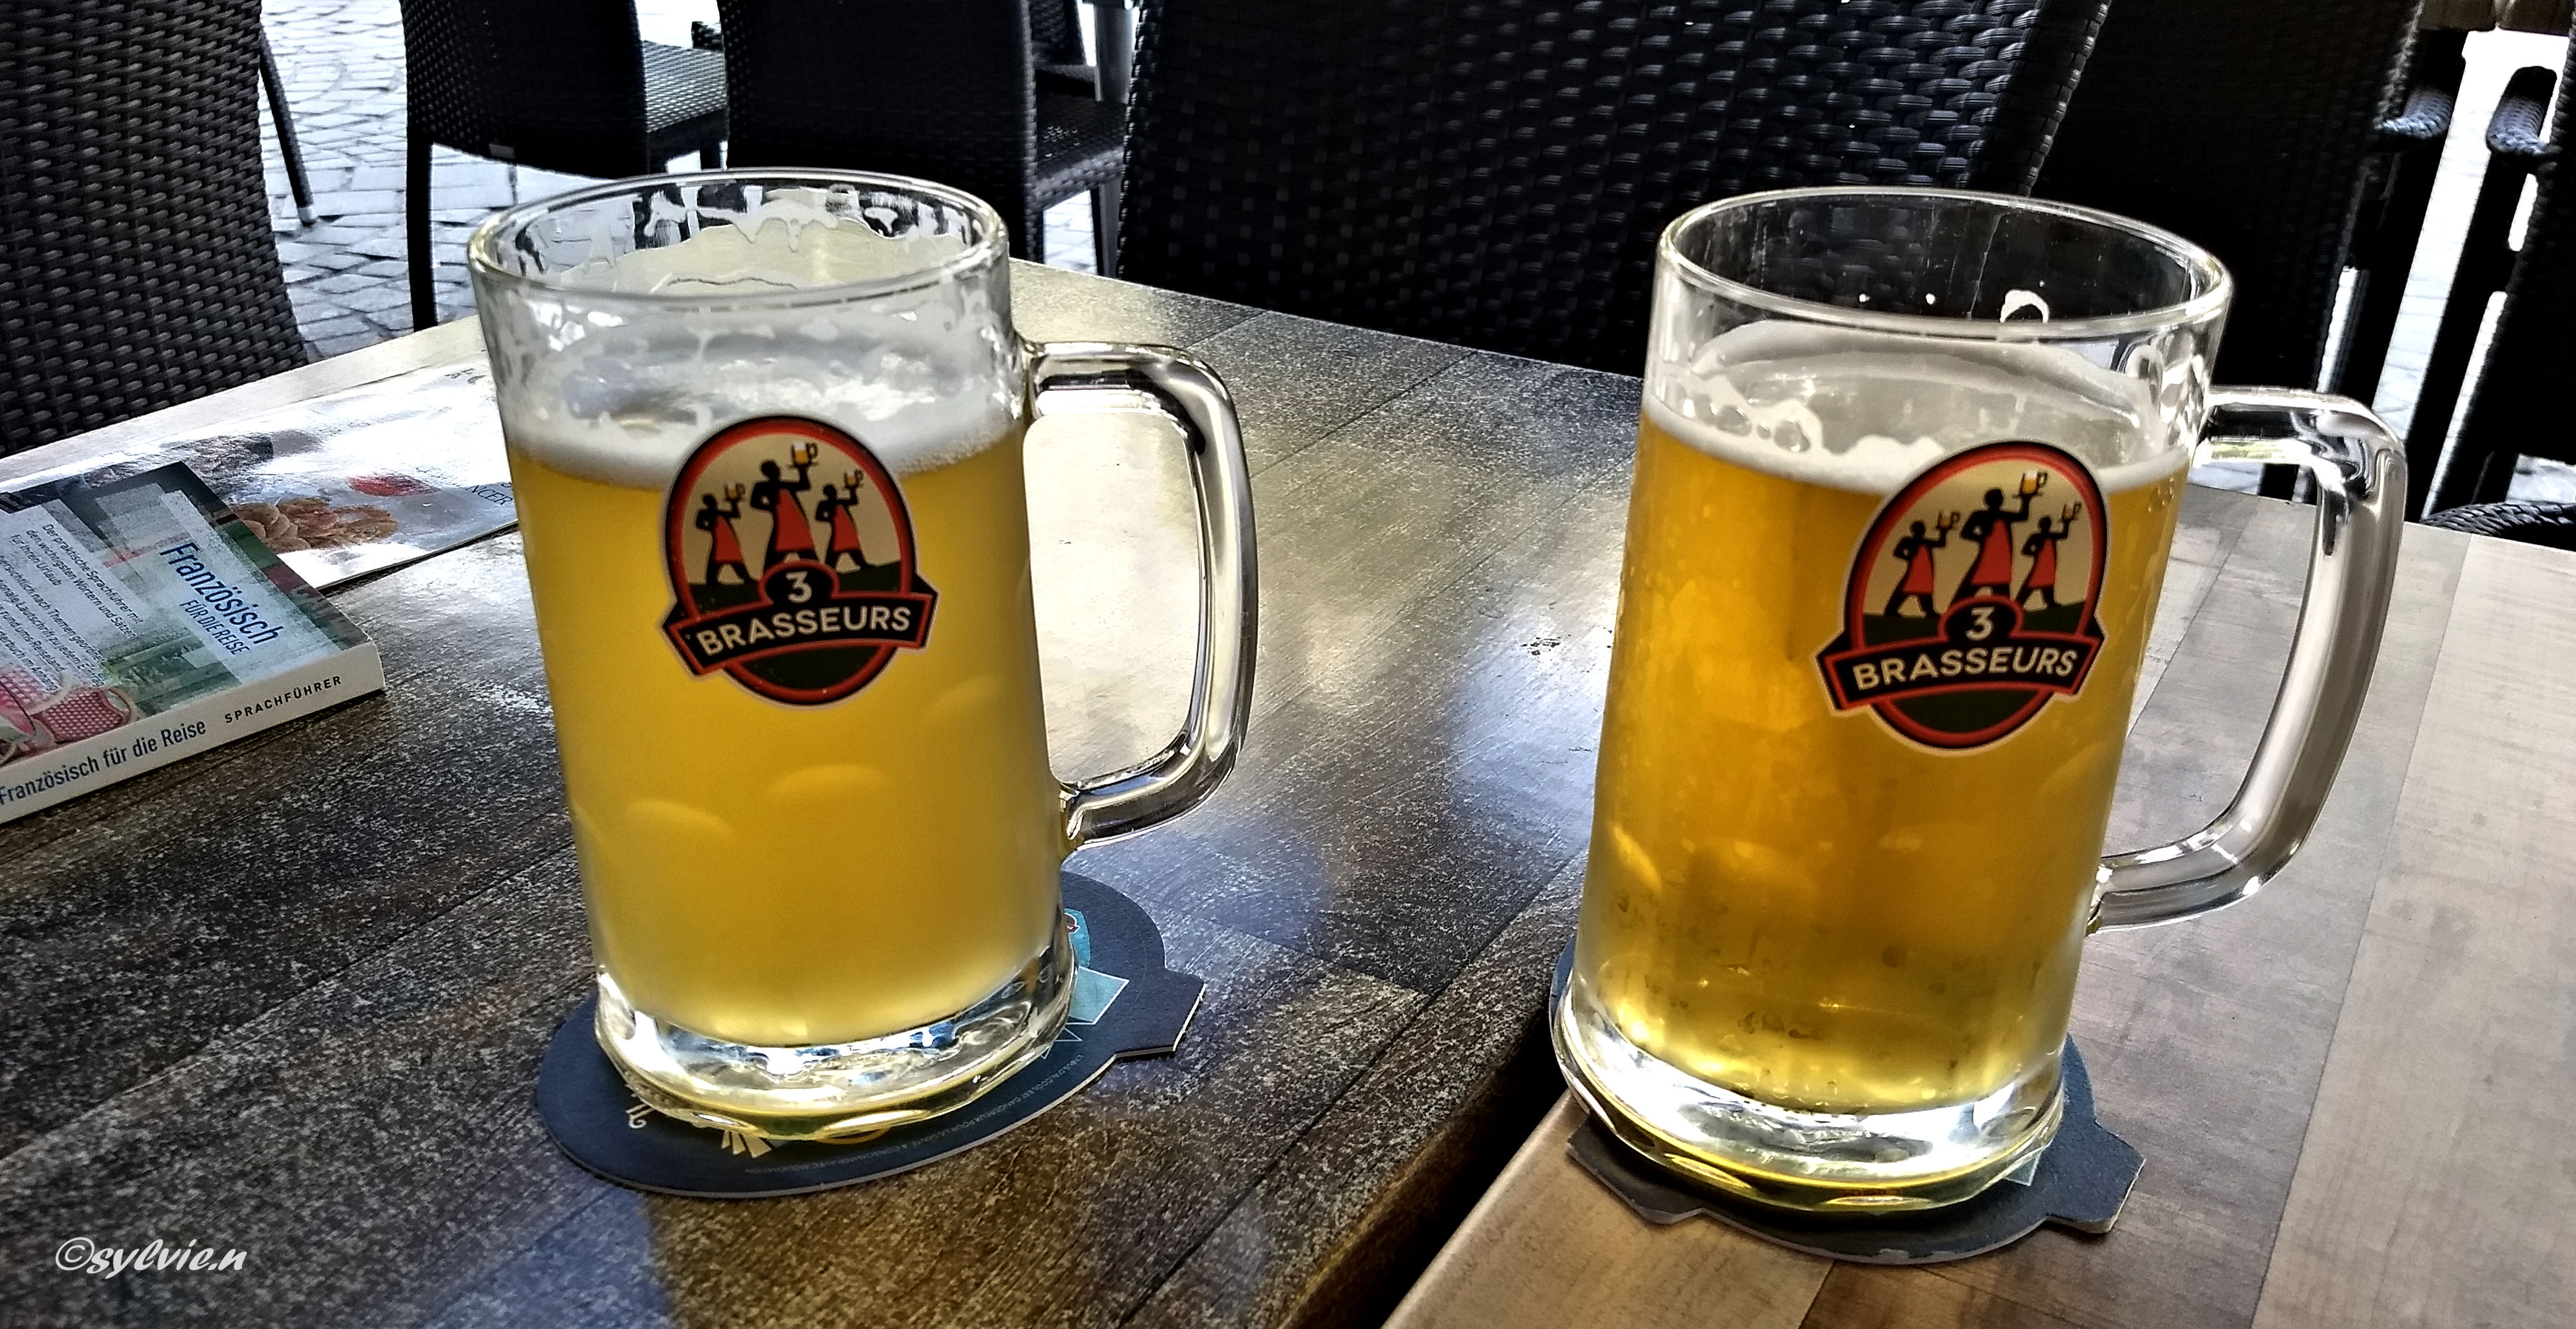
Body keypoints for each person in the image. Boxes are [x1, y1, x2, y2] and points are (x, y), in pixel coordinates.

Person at [1954, 476, 2041, 602]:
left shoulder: (2003, 515)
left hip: (2001, 559)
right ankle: (1958, 608)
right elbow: (1965, 533)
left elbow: (2022, 516)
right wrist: (1981, 539)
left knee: (2000, 586)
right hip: (1987, 556)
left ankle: (2005, 609)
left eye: (2000, 498)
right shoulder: (1980, 515)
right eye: (1999, 498)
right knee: (1972, 585)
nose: (2001, 500)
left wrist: (2026, 499)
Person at [747, 453, 817, 571]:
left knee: (806, 550)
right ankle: (769, 575)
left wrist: (802, 470)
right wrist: (771, 507)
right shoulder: (762, 486)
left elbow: (805, 485)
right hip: (782, 523)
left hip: (797, 524)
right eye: (775, 468)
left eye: (777, 467)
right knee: (776, 552)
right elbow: (755, 502)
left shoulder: (785, 484)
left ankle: (819, 573)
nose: (778, 469)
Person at [1882, 515, 1953, 617]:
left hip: (1924, 571)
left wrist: (1943, 531)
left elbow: (1941, 544)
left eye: (1922, 528)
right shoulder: (1908, 540)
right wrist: (1908, 557)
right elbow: (1897, 552)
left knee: (1925, 590)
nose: (1921, 531)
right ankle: (1892, 609)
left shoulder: (1926, 542)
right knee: (1905, 588)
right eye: (1919, 528)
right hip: (1914, 570)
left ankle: (1929, 610)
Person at [2017, 506, 2080, 610]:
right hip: (2039, 565)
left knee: (2048, 583)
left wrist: (2066, 523)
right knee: (2030, 585)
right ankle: (2018, 604)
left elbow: (2064, 535)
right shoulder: (2036, 536)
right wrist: (2035, 553)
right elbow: (2025, 550)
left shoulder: (2051, 536)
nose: (2047, 526)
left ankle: (2050, 601)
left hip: (2049, 565)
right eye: (2045, 523)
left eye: (2048, 524)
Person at [813, 478, 872, 574]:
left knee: (852, 546)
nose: (834, 492)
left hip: (847, 529)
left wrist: (852, 490)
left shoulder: (840, 502)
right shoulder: (824, 504)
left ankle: (861, 562)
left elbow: (853, 501)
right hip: (838, 530)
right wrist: (830, 519)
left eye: (834, 490)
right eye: (830, 491)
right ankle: (829, 568)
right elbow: (818, 517)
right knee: (835, 549)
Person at [694, 490, 752, 585]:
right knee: (716, 558)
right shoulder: (704, 513)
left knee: (734, 558)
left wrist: (734, 503)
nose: (714, 503)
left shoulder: (720, 513)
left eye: (714, 501)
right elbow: (699, 524)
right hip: (719, 539)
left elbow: (735, 514)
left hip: (728, 539)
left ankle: (745, 577)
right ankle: (712, 580)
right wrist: (709, 528)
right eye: (711, 501)